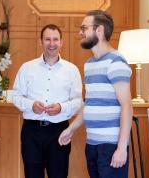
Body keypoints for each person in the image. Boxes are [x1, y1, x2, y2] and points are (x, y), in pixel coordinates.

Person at [58, 10, 133, 178]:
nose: (80, 33)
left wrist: (121, 148)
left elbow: (127, 106)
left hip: (111, 145)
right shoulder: (89, 64)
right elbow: (89, 104)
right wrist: (71, 129)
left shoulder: (116, 61)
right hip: (91, 144)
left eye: (84, 28)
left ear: (99, 30)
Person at [12, 24, 83, 178]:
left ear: (61, 42)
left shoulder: (72, 70)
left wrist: (61, 107)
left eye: (55, 39)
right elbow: (15, 96)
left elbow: (78, 102)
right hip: (32, 132)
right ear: (40, 42)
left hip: (59, 132)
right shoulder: (27, 68)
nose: (52, 43)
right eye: (47, 39)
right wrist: (31, 105)